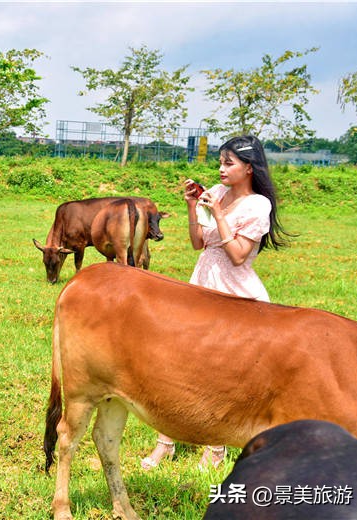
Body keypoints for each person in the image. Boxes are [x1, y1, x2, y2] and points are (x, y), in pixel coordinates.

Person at [141, 134, 292, 471]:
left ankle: (216, 447)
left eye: (229, 163)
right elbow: (199, 243)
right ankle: (165, 442)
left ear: (249, 168)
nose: (221, 169)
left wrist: (219, 213)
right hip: (202, 285)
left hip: (234, 293)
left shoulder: (258, 206)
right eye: (220, 162)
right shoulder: (217, 192)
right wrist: (192, 206)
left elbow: (238, 255)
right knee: (179, 366)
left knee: (221, 375)